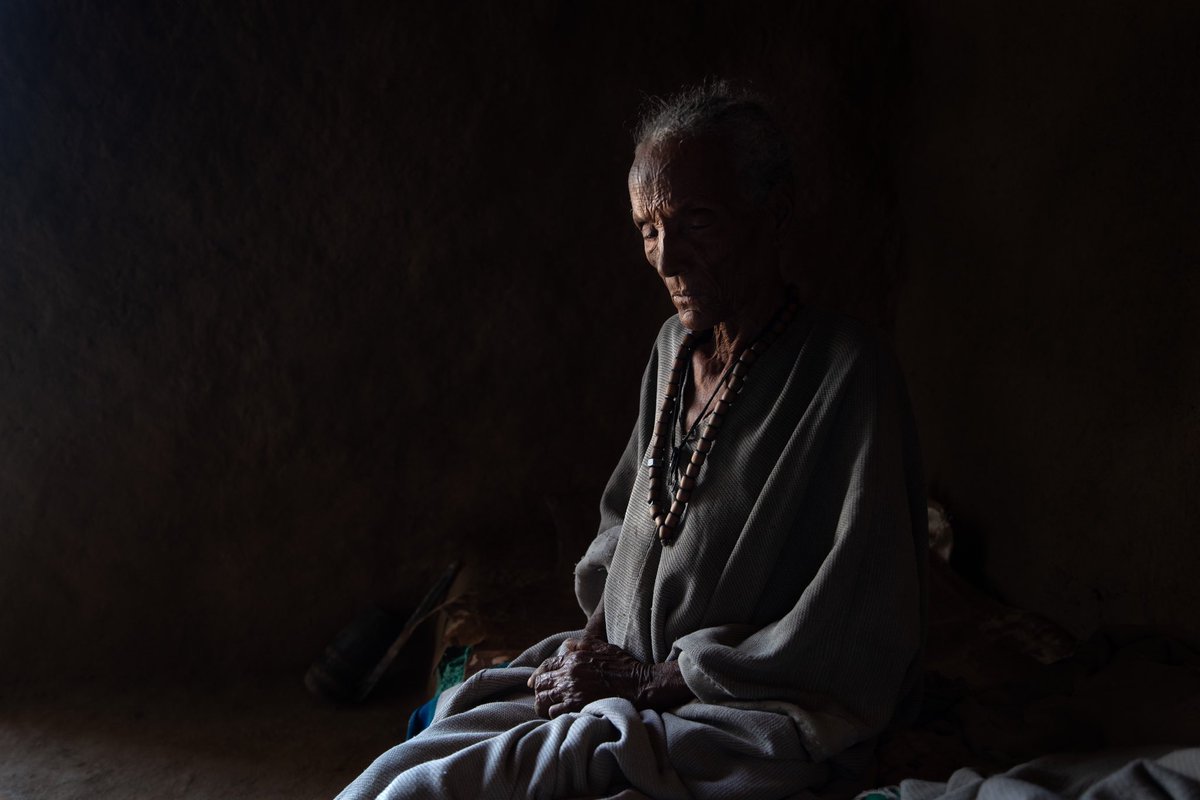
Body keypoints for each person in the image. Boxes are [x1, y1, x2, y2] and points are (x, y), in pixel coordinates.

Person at [337, 81, 926, 800]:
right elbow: (627, 524)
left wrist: (652, 682)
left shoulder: (846, 375)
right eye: (649, 228)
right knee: (399, 775)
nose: (667, 257)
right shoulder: (672, 350)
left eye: (696, 222)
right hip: (617, 677)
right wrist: (597, 649)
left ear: (774, 214)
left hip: (736, 709)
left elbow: (854, 615)